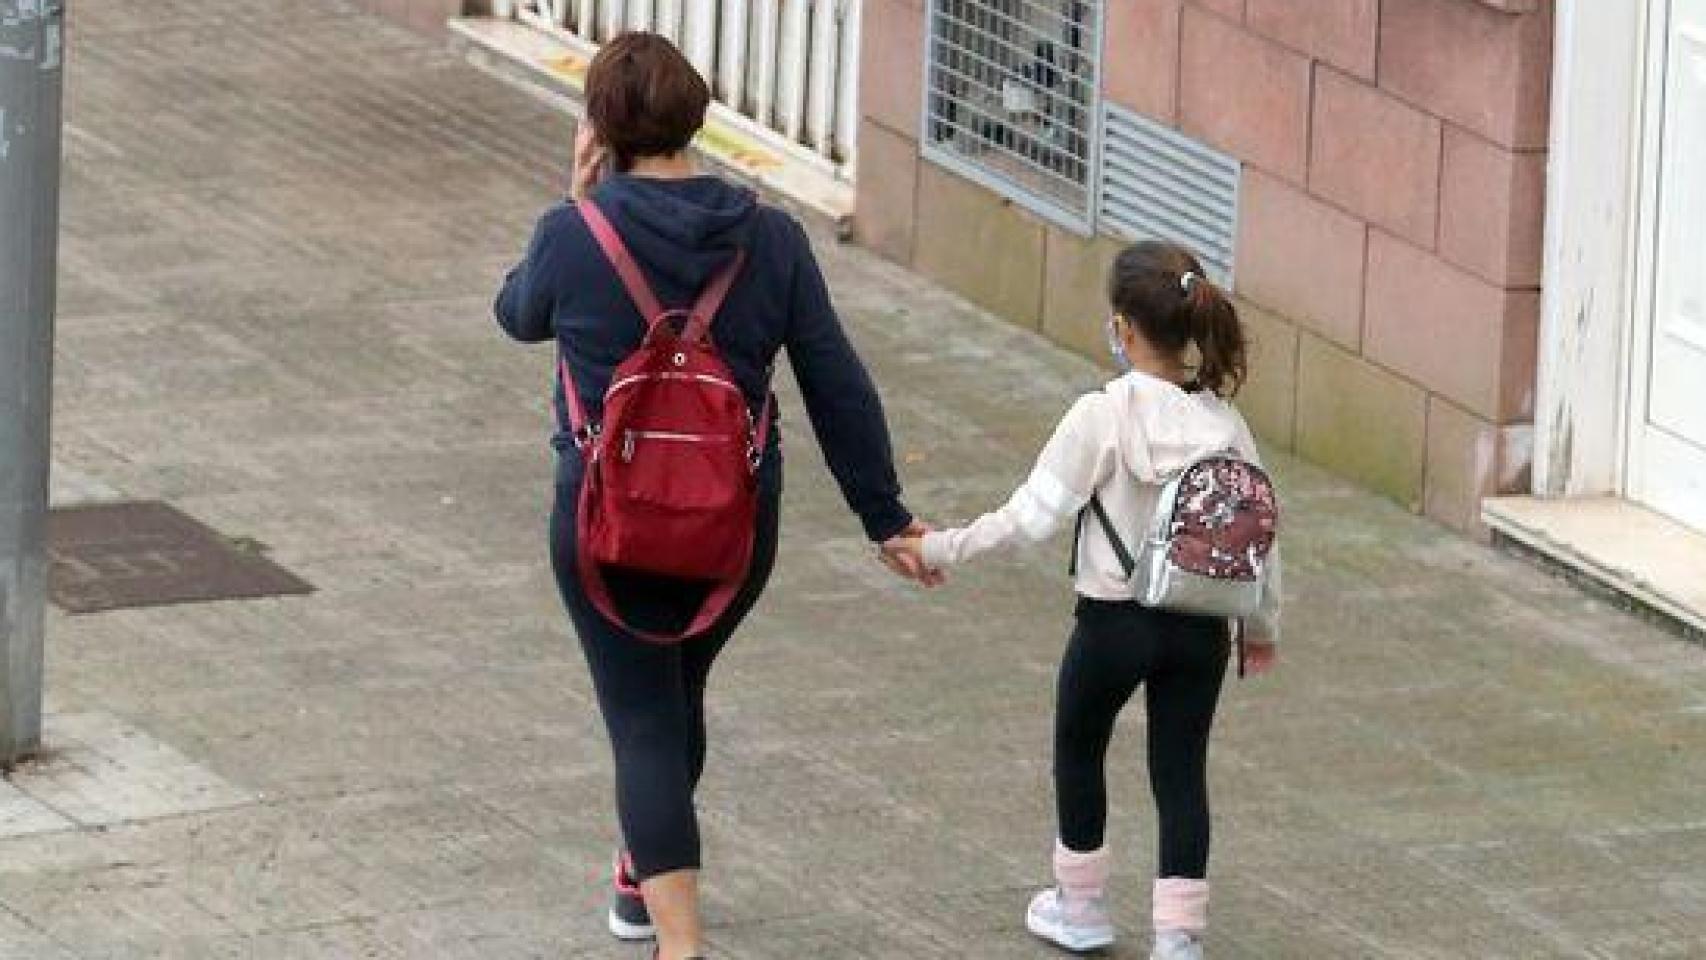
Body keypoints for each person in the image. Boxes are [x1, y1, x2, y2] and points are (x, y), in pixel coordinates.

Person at [494, 32, 931, 960]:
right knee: (675, 691)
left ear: (601, 130)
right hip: (734, 523)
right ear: (699, 114)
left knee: (644, 716)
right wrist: (883, 514)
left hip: (601, 524)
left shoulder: (573, 237)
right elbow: (835, 380)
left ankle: (677, 943)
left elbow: (517, 314)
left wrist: (574, 197)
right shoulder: (771, 239)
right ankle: (637, 874)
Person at [891, 241, 1281, 960]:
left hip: (1114, 623)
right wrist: (1259, 629)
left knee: (1080, 746)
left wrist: (936, 547)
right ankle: (1179, 937)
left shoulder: (1103, 414)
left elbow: (1028, 519)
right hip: (1202, 627)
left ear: (1124, 329)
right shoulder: (1227, 425)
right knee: (1181, 771)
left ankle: (1079, 907)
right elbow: (1259, 538)